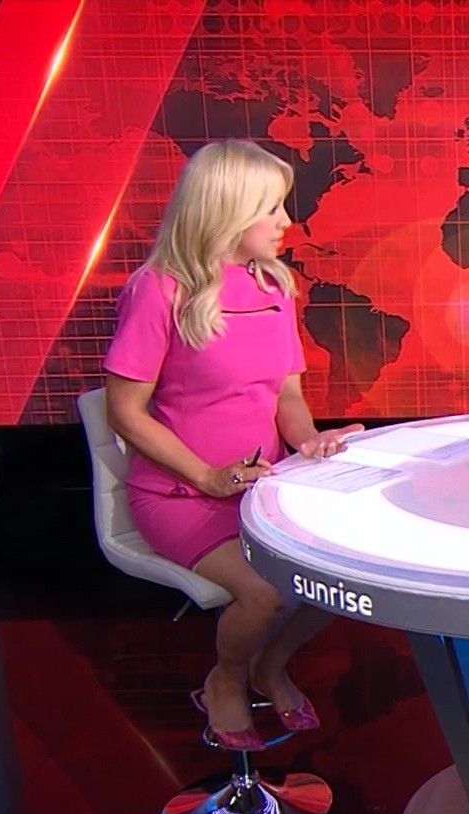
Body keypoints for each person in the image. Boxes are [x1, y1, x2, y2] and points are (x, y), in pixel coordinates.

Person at [103, 140, 362, 750]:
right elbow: (124, 412)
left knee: (338, 580)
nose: (285, 222)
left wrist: (309, 442)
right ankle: (227, 677)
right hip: (181, 495)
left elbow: (286, 395)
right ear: (226, 209)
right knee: (265, 592)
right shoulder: (159, 290)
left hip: (259, 488)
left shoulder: (275, 286)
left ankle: (271, 665)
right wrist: (207, 476)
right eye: (271, 208)